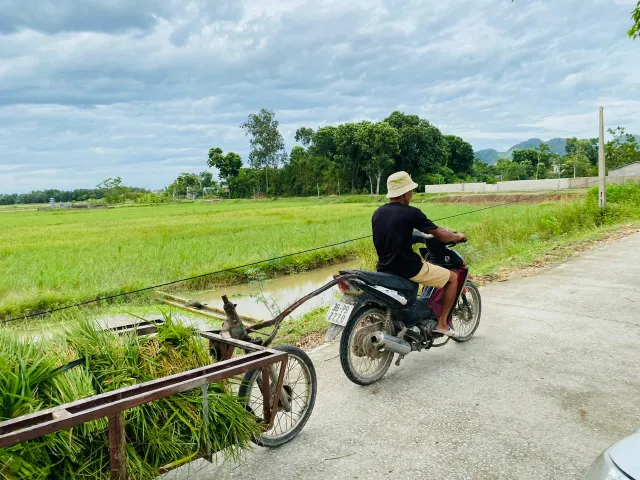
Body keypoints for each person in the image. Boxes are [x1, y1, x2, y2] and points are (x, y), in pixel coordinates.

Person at [372, 171, 466, 337]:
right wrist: (457, 236)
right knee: (452, 278)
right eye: (411, 191)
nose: (412, 194)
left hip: (384, 268)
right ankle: (443, 324)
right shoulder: (412, 213)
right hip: (409, 268)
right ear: (406, 193)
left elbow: (395, 234)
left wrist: (414, 237)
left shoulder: (378, 213)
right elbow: (440, 234)